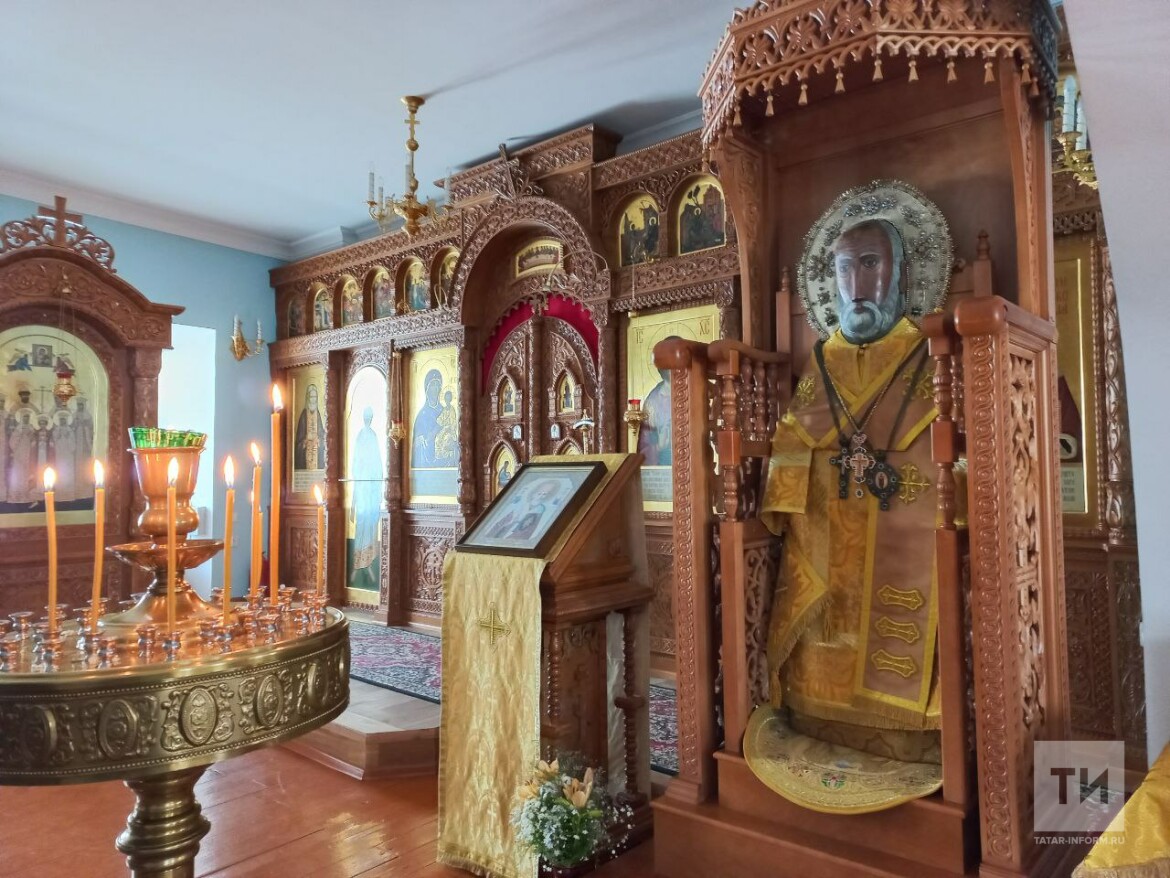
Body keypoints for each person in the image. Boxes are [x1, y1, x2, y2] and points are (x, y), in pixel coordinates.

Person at [750, 217, 945, 812]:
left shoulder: (931, 355)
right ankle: (814, 718)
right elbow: (791, 445)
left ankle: (916, 741)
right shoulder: (822, 363)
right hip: (827, 543)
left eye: (869, 264)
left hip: (904, 537)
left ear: (901, 275)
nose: (856, 284)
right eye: (843, 268)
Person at [348, 406, 383, 588]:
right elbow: (355, 461)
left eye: (370, 416)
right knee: (360, 525)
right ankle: (356, 565)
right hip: (362, 486)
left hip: (371, 487)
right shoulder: (360, 436)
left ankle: (368, 564)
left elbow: (378, 463)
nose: (367, 419)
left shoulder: (374, 436)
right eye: (365, 416)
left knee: (369, 527)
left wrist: (378, 487)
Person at [637, 342, 677, 466]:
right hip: (662, 466)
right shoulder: (652, 402)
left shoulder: (693, 392)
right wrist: (659, 446)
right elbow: (644, 446)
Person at [412, 370, 446, 467]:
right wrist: (418, 441)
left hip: (442, 460)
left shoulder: (445, 412)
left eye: (437, 385)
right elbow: (414, 444)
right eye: (432, 385)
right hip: (425, 462)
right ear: (426, 389)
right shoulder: (421, 415)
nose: (435, 388)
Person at [294, 384, 326, 470]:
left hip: (317, 457)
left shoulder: (318, 415)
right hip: (304, 460)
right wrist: (305, 441)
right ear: (308, 398)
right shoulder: (303, 415)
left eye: (315, 397)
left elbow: (322, 437)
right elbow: (298, 442)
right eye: (311, 397)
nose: (313, 399)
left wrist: (318, 441)